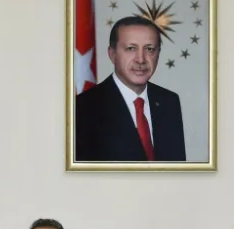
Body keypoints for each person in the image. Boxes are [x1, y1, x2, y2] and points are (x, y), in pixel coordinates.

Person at [75, 16, 186, 162]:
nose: (141, 59)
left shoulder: (169, 101)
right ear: (112, 54)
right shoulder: (83, 107)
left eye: (149, 49)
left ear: (158, 54)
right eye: (131, 48)